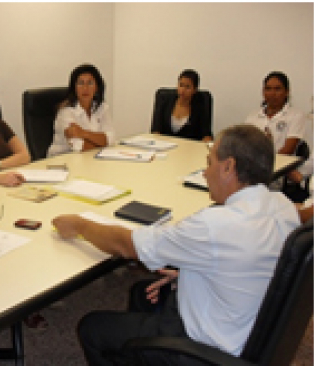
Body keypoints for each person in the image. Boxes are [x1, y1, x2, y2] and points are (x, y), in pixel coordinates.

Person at [52, 124, 300, 365]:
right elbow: (255, 260)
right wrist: (192, 273)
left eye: (209, 162)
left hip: (210, 344)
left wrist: (79, 225)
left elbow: (127, 245)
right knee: (143, 294)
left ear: (228, 167)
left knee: (93, 328)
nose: (204, 173)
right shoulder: (282, 205)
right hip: (248, 325)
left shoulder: (214, 225)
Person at [47, 64, 115, 156]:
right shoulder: (66, 112)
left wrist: (83, 133)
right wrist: (101, 142)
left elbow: (111, 138)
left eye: (90, 83)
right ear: (74, 88)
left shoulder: (102, 107)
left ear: (97, 87)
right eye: (80, 83)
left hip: (90, 158)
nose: (85, 88)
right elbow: (79, 147)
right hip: (61, 162)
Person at [244, 71, 306, 155]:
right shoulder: (252, 117)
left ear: (287, 92)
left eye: (277, 89)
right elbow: (244, 146)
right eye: (268, 89)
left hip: (283, 164)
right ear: (263, 92)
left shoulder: (296, 115)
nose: (272, 94)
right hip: (255, 165)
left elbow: (288, 150)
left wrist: (269, 163)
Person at [151, 69, 213, 142]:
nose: (182, 90)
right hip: (165, 148)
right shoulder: (164, 101)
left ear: (195, 89)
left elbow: (206, 135)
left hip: (190, 149)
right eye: (181, 85)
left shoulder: (201, 105)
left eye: (187, 87)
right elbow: (156, 130)